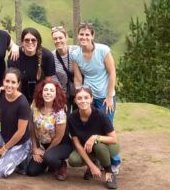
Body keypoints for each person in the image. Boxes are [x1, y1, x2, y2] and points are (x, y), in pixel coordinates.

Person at [70, 22, 121, 173]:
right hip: (88, 97)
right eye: (81, 34)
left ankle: (114, 161)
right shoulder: (76, 54)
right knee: (90, 128)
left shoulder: (103, 50)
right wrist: (80, 96)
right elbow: (78, 79)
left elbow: (112, 73)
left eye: (87, 34)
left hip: (105, 96)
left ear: (92, 36)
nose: (84, 37)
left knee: (107, 128)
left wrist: (110, 96)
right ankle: (94, 161)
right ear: (78, 36)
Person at [67, 87, 120, 189]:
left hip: (109, 146)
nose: (83, 101)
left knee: (99, 146)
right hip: (88, 148)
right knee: (73, 160)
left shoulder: (101, 115)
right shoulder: (72, 118)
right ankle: (94, 164)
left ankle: (109, 173)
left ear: (91, 99)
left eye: (86, 97)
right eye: (80, 98)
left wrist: (95, 137)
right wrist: (91, 166)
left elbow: (114, 139)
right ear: (75, 100)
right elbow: (77, 145)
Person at [0, 68, 31, 179]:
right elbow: (2, 111)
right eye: (7, 81)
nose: (9, 85)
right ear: (3, 81)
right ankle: (6, 154)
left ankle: (24, 158)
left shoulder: (23, 103)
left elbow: (20, 132)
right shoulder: (3, 94)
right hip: (5, 137)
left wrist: (4, 148)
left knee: (0, 172)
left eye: (13, 82)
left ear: (18, 84)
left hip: (20, 143)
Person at [25, 79, 73, 181]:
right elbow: (32, 128)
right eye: (46, 90)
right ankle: (49, 162)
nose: (48, 93)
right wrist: (35, 149)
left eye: (52, 91)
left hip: (61, 144)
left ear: (56, 94)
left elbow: (58, 138)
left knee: (48, 157)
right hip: (43, 144)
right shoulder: (35, 107)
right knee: (31, 171)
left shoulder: (60, 112)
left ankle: (61, 164)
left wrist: (45, 153)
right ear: (41, 92)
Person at [8, 27, 56, 104]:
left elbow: (48, 82)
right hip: (19, 95)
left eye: (33, 40)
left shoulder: (47, 56)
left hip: (41, 96)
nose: (30, 42)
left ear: (38, 42)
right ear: (22, 42)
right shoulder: (14, 56)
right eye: (27, 40)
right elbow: (12, 81)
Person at [50, 25, 77, 112]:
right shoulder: (51, 57)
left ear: (66, 38)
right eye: (55, 39)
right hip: (63, 94)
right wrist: (60, 96)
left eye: (60, 38)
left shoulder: (76, 51)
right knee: (64, 118)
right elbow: (53, 77)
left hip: (79, 91)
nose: (58, 41)